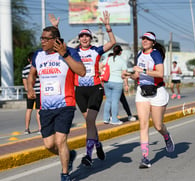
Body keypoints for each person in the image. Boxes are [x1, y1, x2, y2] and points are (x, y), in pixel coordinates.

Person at [49, 11, 116, 167]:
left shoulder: (96, 51)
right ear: (79, 39)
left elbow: (112, 43)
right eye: (82, 36)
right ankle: (98, 144)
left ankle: (88, 155)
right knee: (90, 123)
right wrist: (55, 28)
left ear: (90, 39)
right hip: (79, 90)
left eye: (87, 36)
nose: (84, 38)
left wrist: (108, 27)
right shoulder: (74, 52)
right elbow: (56, 46)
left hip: (95, 89)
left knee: (90, 121)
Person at [27, 26, 86, 181]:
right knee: (49, 145)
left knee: (60, 141)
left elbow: (81, 71)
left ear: (55, 40)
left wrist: (64, 54)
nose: (42, 41)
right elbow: (31, 75)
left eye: (46, 39)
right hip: (45, 107)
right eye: (42, 38)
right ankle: (70, 155)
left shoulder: (69, 52)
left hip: (65, 104)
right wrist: (29, 88)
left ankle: (65, 174)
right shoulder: (38, 55)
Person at [124, 32, 175, 168]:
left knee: (158, 126)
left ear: (153, 42)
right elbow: (137, 75)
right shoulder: (139, 54)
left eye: (148, 39)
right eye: (143, 39)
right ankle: (145, 158)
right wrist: (129, 75)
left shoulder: (156, 54)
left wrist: (143, 70)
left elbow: (160, 73)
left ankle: (166, 136)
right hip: (142, 92)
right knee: (143, 124)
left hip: (157, 92)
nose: (145, 41)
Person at [102, 45, 127, 125]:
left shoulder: (108, 59)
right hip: (117, 82)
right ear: (120, 52)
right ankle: (115, 120)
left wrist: (102, 72)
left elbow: (100, 66)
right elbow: (124, 74)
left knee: (108, 100)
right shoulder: (122, 61)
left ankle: (106, 119)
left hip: (107, 82)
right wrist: (126, 83)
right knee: (115, 101)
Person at [22, 52, 41, 134]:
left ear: (28, 60)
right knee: (38, 110)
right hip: (38, 91)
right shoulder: (39, 67)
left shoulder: (25, 69)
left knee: (29, 110)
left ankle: (26, 129)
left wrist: (28, 90)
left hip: (30, 92)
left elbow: (25, 83)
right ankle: (40, 128)